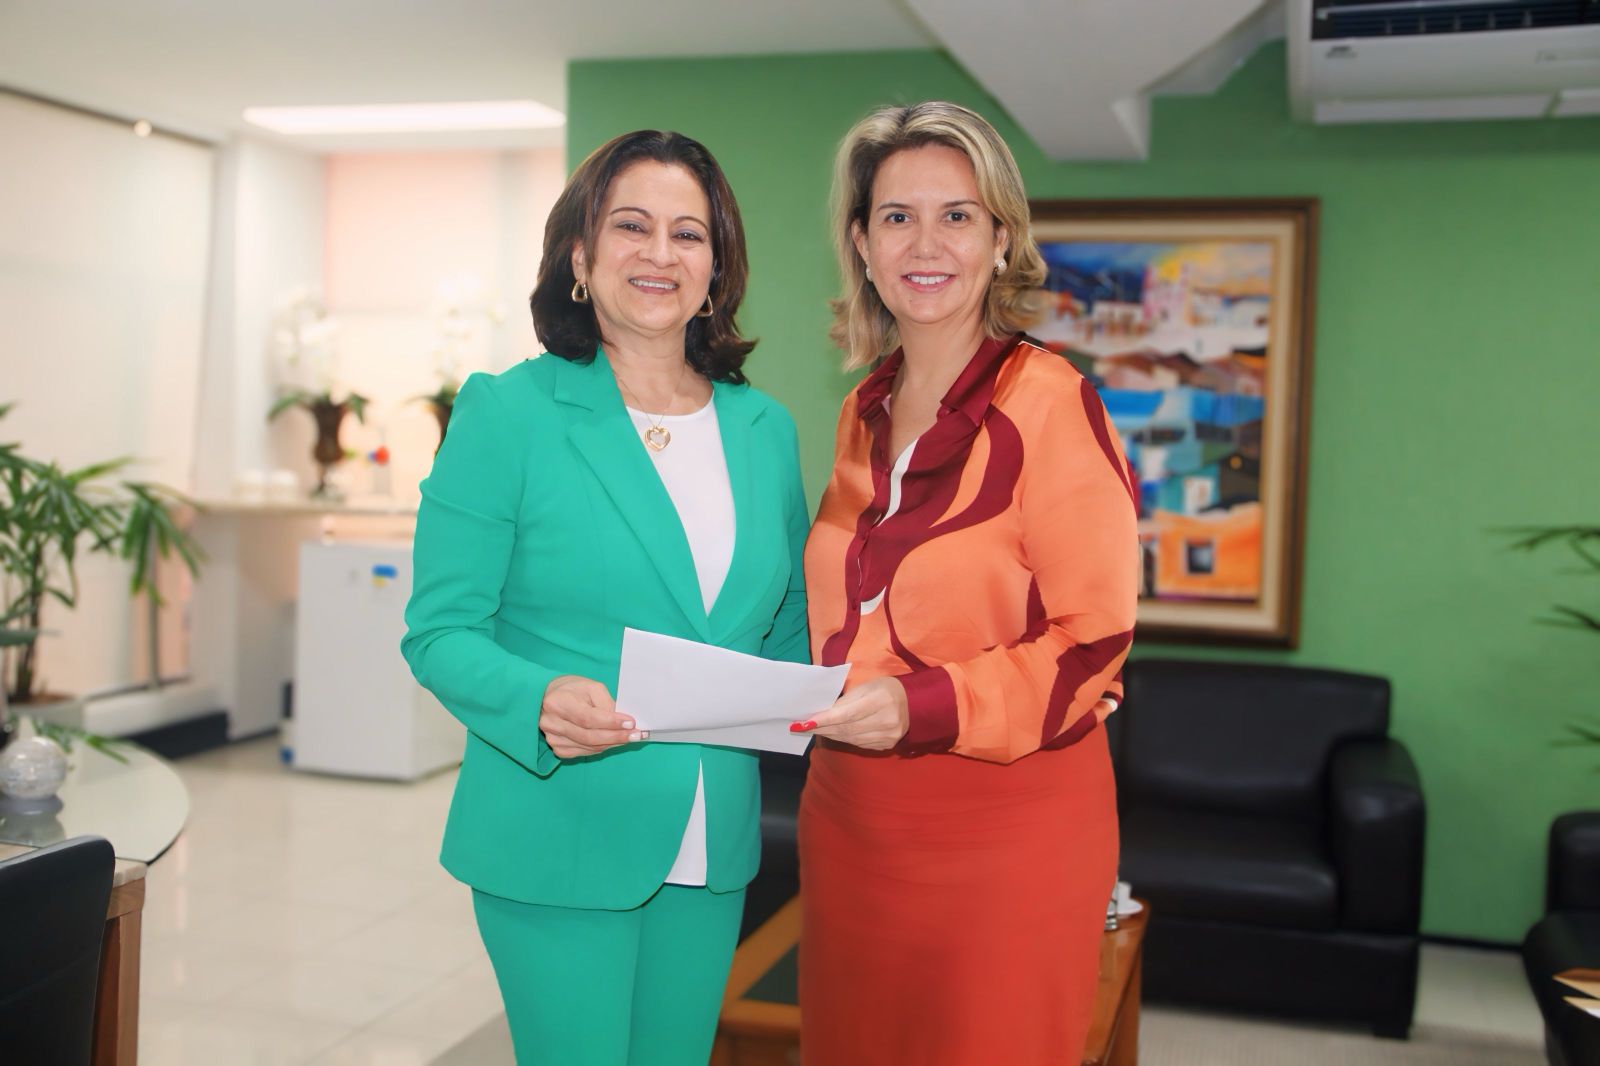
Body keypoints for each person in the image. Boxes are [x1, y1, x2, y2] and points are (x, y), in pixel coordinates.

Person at [401, 129, 809, 1066]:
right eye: (631, 227)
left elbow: (783, 631)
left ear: (718, 267)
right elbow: (440, 630)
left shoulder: (764, 429)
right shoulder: (510, 412)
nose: (660, 254)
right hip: (561, 825)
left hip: (712, 841)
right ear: (580, 258)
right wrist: (535, 698)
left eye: (688, 234)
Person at [795, 101, 1140, 1065]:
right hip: (852, 822)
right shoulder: (862, 411)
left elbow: (1094, 642)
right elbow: (848, 614)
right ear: (861, 243)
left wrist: (923, 707)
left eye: (958, 215)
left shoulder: (1054, 402)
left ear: (1000, 239)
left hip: (1008, 827)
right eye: (897, 216)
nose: (926, 242)